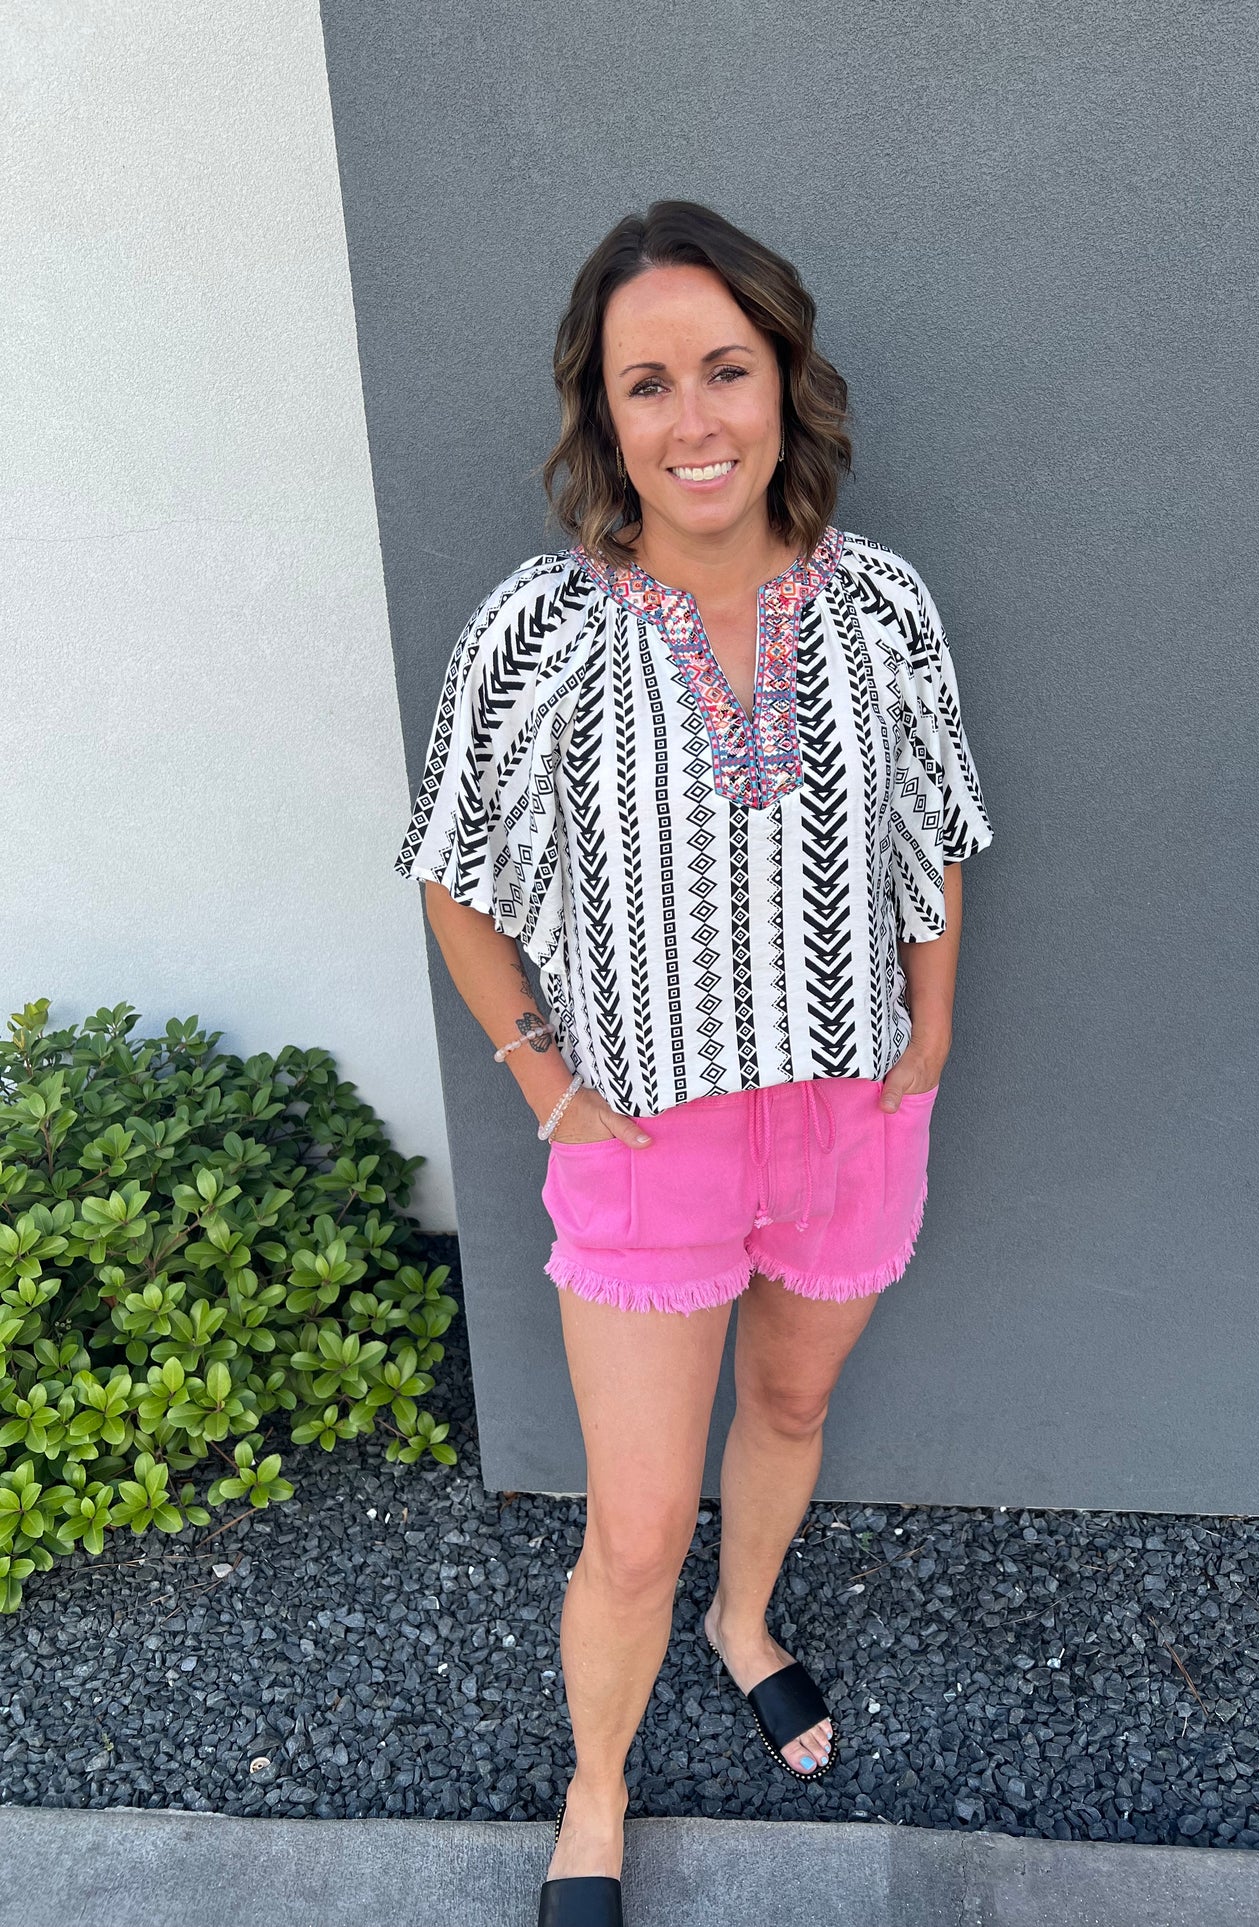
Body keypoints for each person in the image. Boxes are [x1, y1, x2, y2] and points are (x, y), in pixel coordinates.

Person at [395, 199, 995, 1927]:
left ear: (782, 383)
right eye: (646, 382)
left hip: (849, 1115)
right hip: (641, 1141)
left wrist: (931, 1021)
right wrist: (540, 1081)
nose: (693, 419)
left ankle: (748, 1631)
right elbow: (451, 862)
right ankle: (595, 1791)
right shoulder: (542, 626)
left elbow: (933, 820)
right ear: (605, 413)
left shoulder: (879, 602)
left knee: (793, 1402)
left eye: (725, 369)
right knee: (634, 1523)